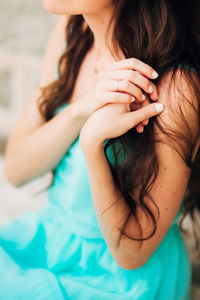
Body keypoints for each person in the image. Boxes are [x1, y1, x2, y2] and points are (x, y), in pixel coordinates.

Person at [1, 0, 200, 299]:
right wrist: (79, 111)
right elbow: (16, 171)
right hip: (53, 240)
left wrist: (92, 143)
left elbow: (131, 253)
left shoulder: (176, 88)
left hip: (121, 278)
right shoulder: (72, 33)